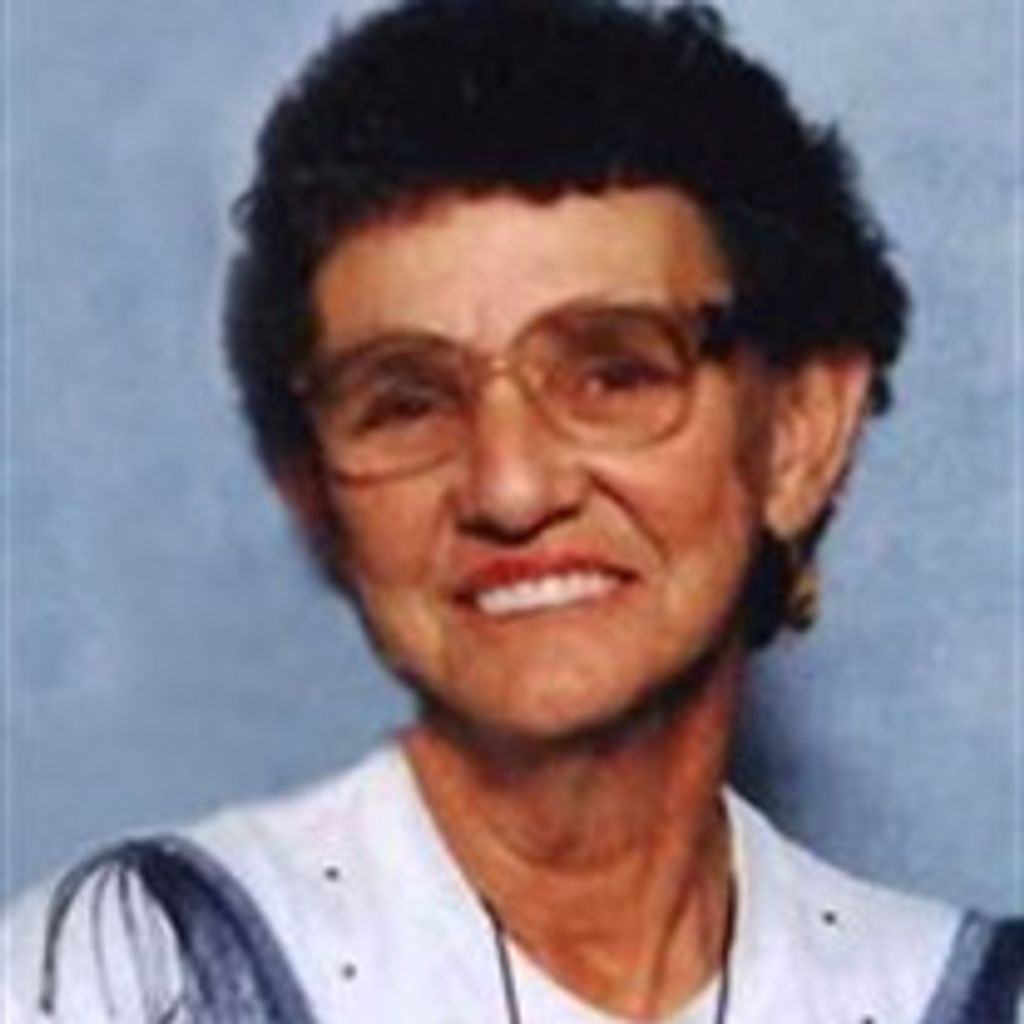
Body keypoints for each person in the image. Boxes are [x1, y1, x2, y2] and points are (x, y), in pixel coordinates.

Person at [4, 0, 1022, 1021]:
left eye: (613, 373)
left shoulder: (957, 991)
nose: (511, 487)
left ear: (800, 432)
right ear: (311, 487)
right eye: (406, 400)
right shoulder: (140, 973)